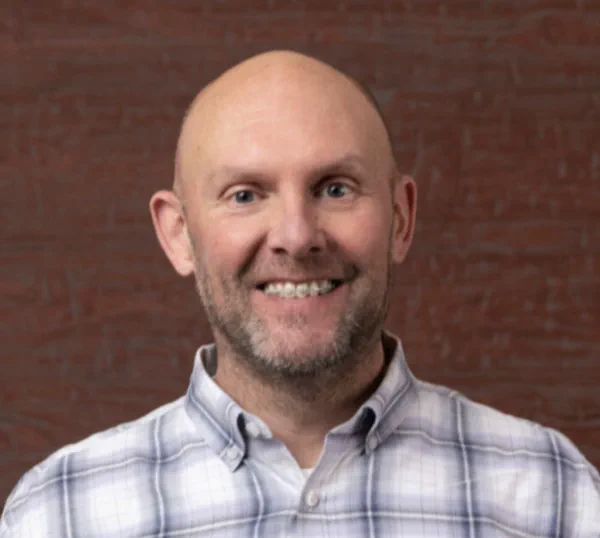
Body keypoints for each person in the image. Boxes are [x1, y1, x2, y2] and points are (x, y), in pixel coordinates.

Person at [2, 50, 599, 537]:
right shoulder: (60, 515)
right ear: (179, 235)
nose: (295, 236)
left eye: (335, 189)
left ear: (400, 218)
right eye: (245, 195)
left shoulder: (554, 498)